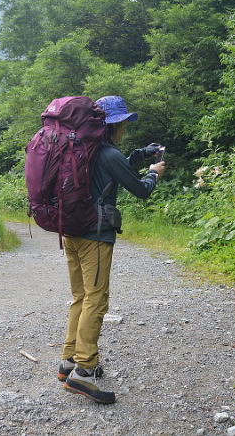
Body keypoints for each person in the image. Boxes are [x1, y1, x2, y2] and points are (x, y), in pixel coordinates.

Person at [57, 95, 165, 404]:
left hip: (73, 231)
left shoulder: (83, 149)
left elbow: (109, 172)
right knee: (97, 300)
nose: (125, 130)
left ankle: (68, 362)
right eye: (123, 125)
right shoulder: (108, 154)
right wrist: (154, 172)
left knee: (80, 297)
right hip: (96, 236)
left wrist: (138, 155)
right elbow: (141, 189)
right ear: (114, 125)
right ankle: (85, 370)